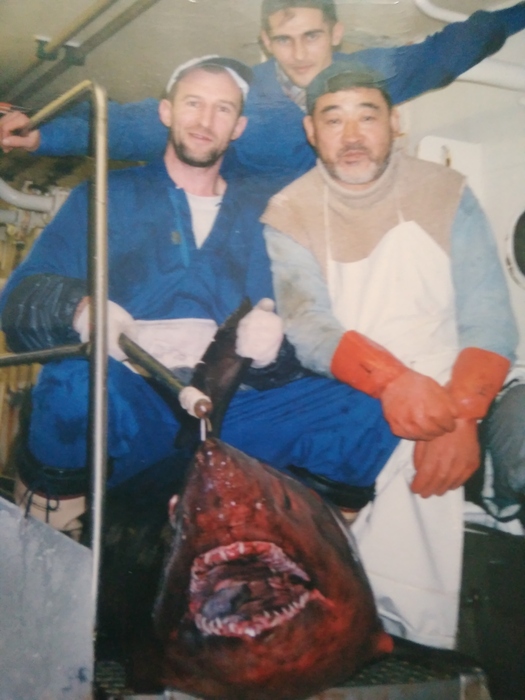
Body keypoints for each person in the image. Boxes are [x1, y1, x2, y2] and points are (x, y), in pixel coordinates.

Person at [0, 56, 399, 537]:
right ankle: (53, 539)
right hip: (132, 400)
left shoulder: (271, 214)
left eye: (222, 109)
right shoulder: (106, 195)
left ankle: (302, 549)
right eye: (193, 103)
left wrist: (274, 351)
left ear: (239, 127)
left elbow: (303, 327)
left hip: (235, 409)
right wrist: (81, 310)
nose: (206, 121)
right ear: (166, 112)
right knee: (71, 384)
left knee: (371, 408)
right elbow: (18, 299)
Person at [260, 61, 523, 649]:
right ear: (311, 131)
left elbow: (489, 315)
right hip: (355, 384)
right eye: (334, 120)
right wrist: (397, 384)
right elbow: (309, 326)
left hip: (453, 382)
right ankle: (378, 625)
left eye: (367, 116)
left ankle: (378, 624)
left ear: (395, 122)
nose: (352, 136)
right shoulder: (288, 210)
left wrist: (462, 416)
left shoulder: (447, 190)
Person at [1, 0, 525, 191]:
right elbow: (135, 124)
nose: (299, 54)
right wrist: (43, 135)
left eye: (312, 37)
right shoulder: (239, 94)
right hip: (264, 231)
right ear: (266, 42)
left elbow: (458, 46)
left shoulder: (375, 73)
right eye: (284, 40)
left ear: (336, 33)